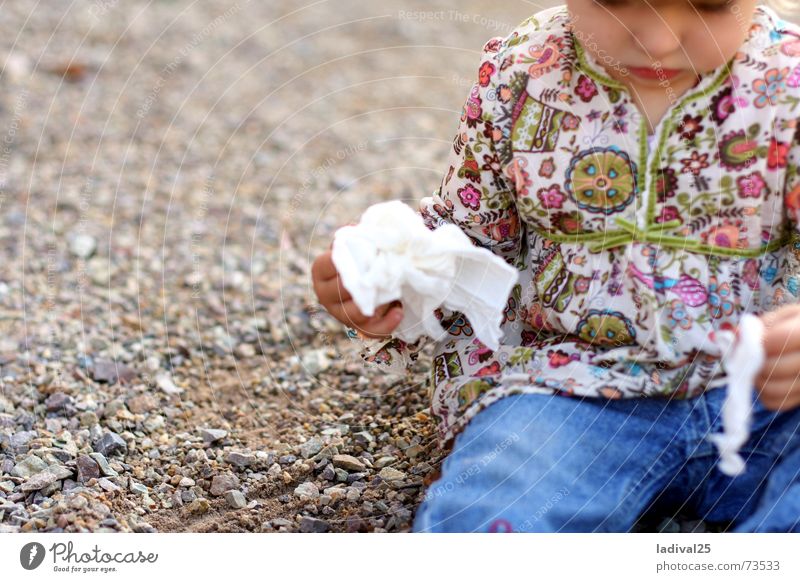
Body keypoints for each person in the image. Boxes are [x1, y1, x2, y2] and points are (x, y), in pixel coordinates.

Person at [311, 0, 800, 532]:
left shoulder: (787, 84)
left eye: (708, 4)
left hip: (769, 398)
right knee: (492, 513)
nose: (658, 40)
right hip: (573, 391)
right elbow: (471, 240)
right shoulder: (526, 72)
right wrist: (392, 277)